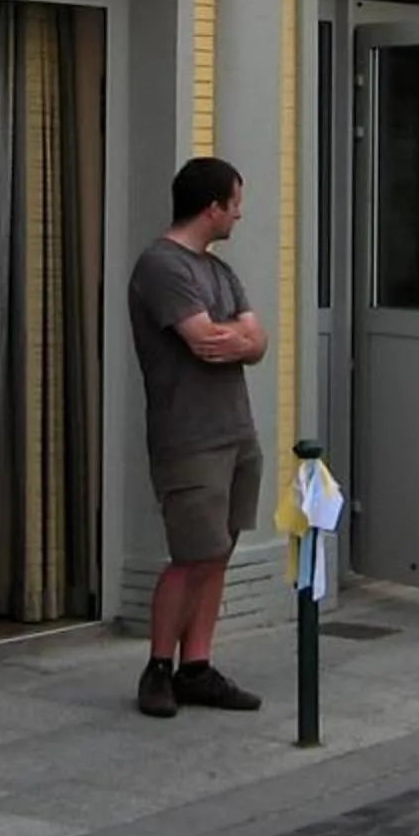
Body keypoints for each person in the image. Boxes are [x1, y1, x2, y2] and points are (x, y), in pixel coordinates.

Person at [129, 157, 267, 718]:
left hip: (236, 431)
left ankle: (198, 667)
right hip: (189, 437)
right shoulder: (162, 266)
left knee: (219, 553)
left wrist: (237, 337)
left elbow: (256, 341)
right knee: (190, 556)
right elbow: (203, 339)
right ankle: (158, 667)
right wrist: (235, 336)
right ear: (212, 206)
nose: (241, 212)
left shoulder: (220, 271)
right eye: (235, 201)